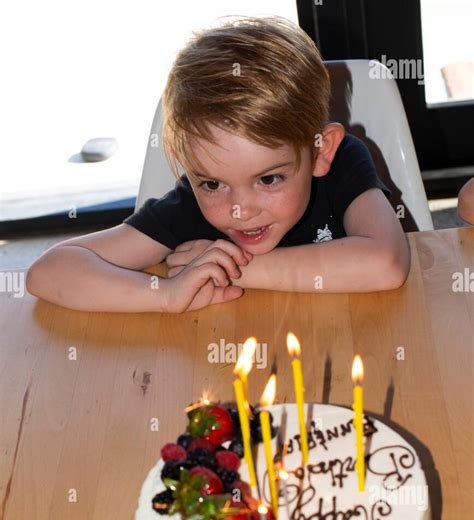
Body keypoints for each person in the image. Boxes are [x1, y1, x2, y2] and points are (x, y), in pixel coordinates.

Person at [26, 16, 410, 313]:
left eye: (269, 178)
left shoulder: (343, 163)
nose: (239, 209)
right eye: (211, 184)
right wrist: (166, 294)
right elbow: (50, 272)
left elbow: (387, 263)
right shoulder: (188, 209)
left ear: (320, 152)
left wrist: (240, 269)